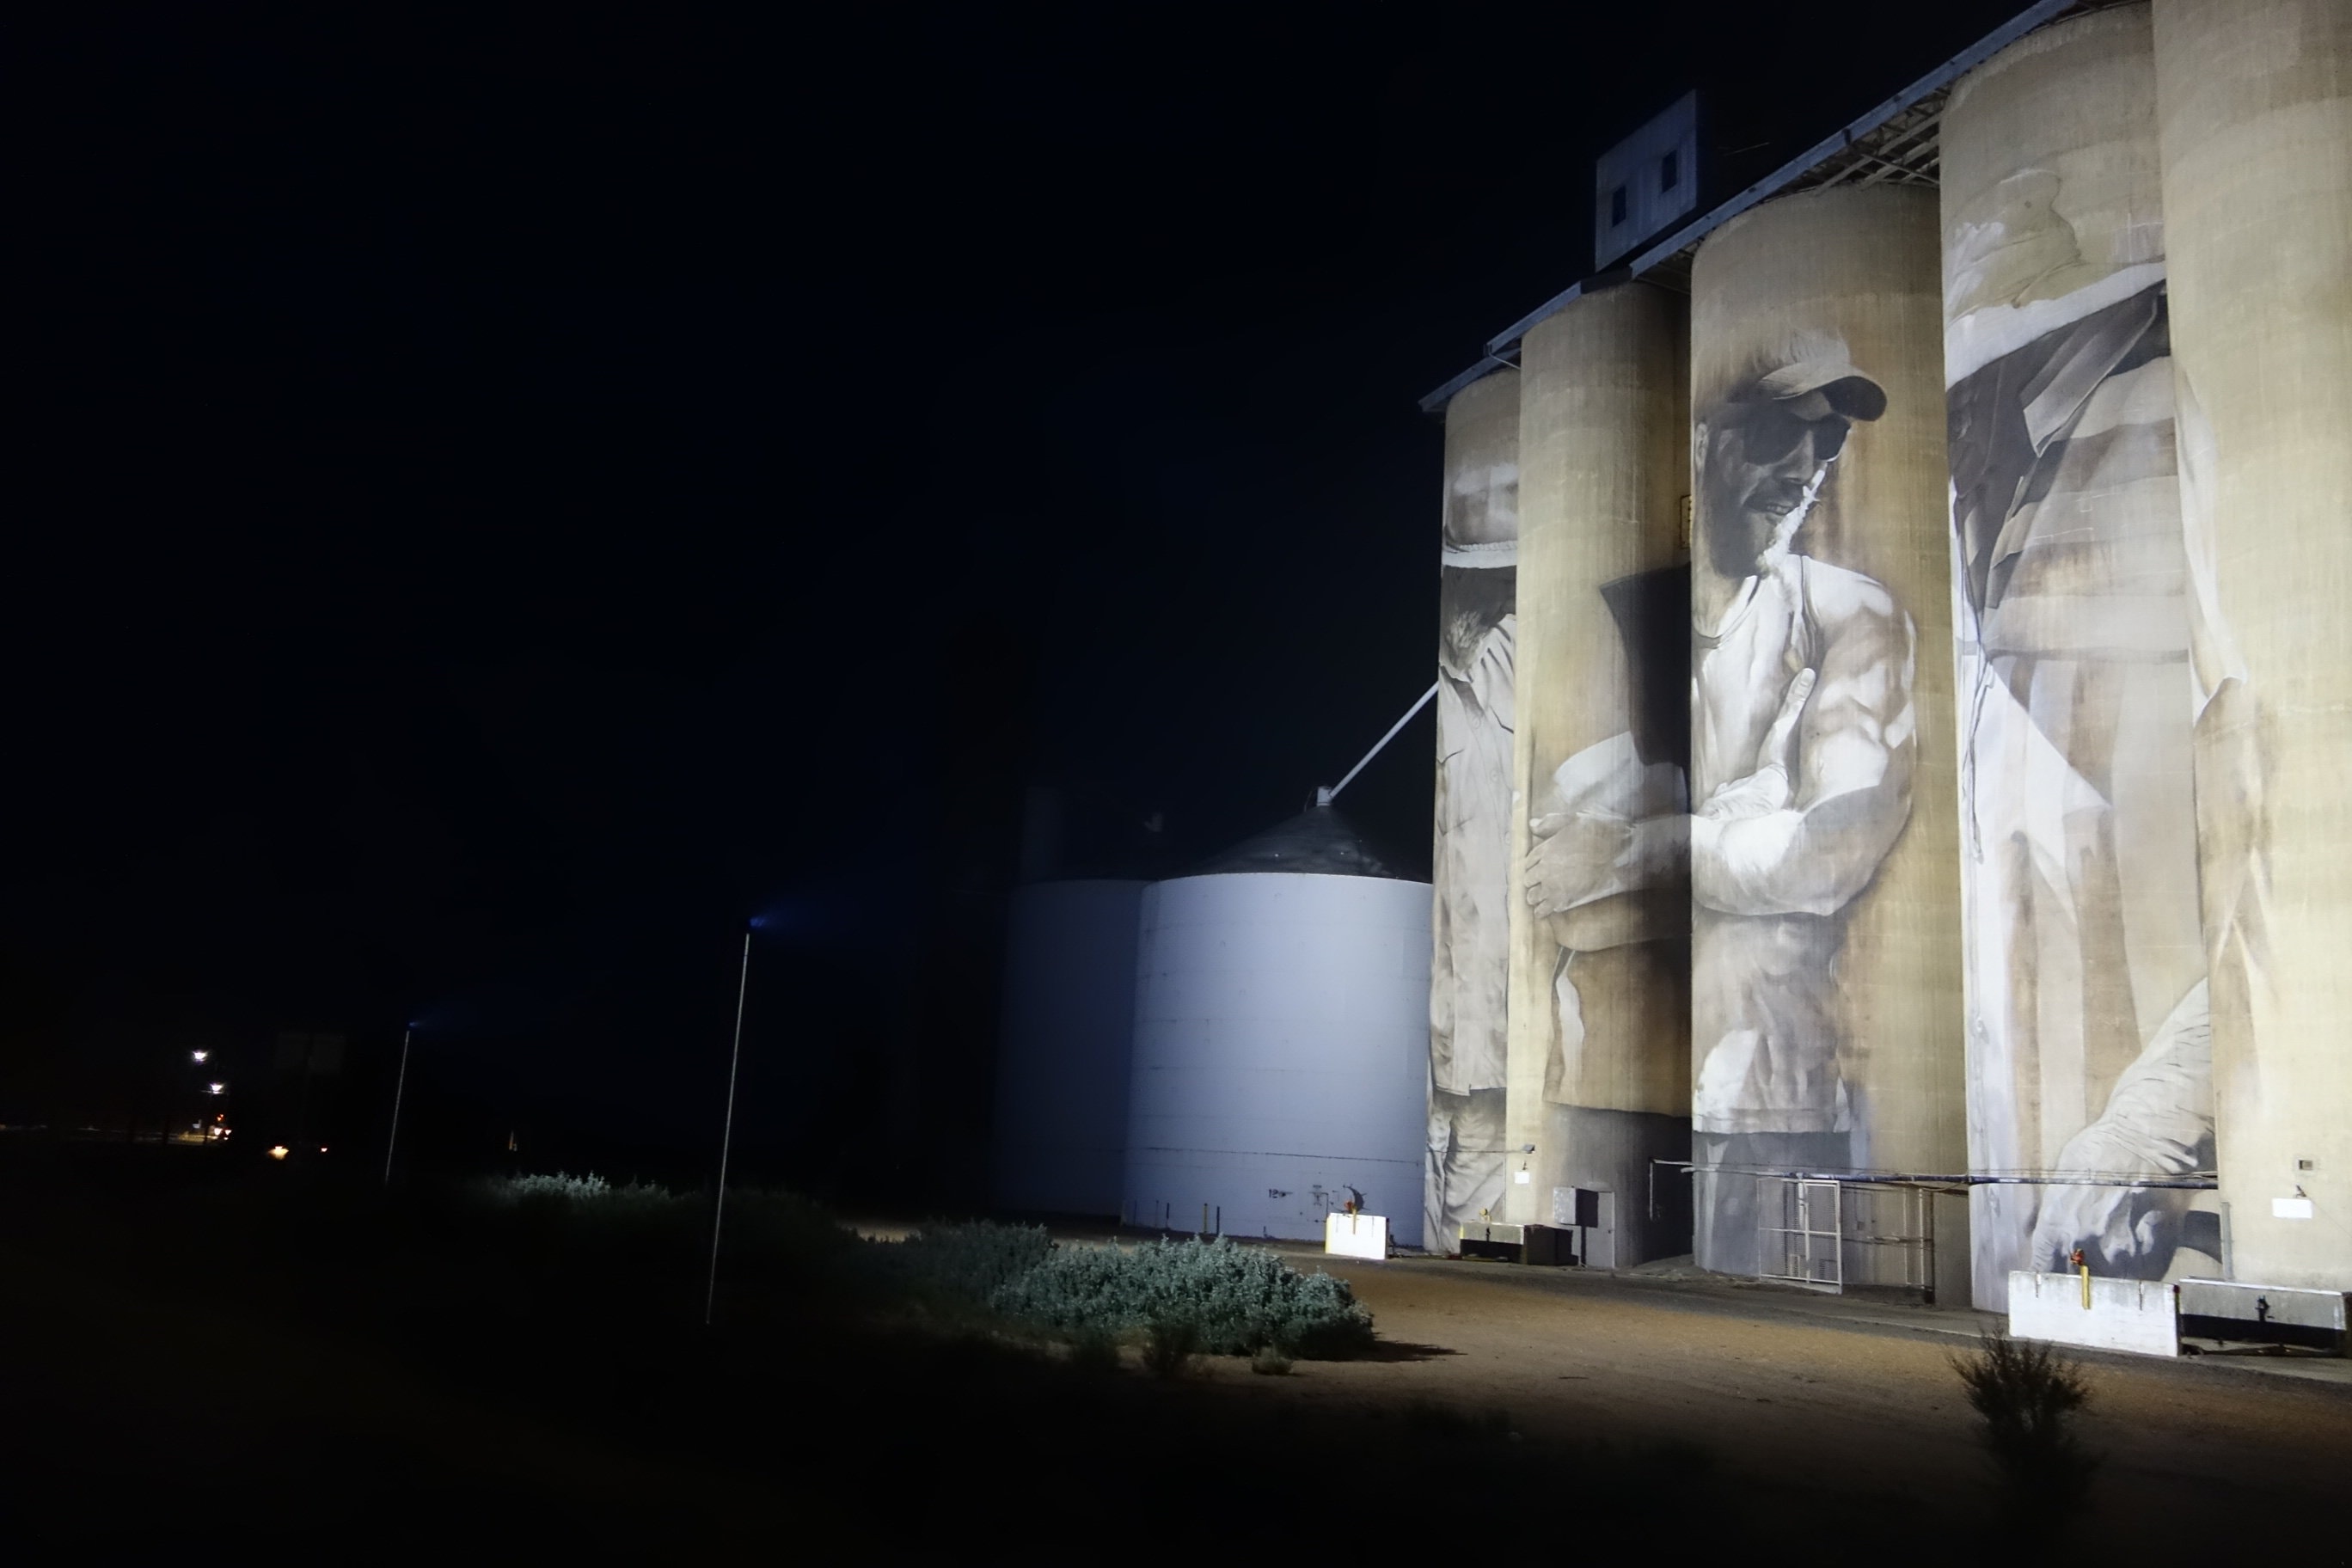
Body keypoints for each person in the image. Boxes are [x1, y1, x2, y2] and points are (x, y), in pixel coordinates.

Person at [1522, 335, 1916, 1274]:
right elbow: (1563, 893)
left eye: (1825, 449)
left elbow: (1831, 853)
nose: (1802, 471)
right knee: (1593, 1294)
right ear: (1700, 441)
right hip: (1607, 1084)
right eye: (1780, 431)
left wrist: (1649, 843)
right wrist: (1760, 801)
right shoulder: (1606, 625)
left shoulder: (1847, 616)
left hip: (1781, 1093)